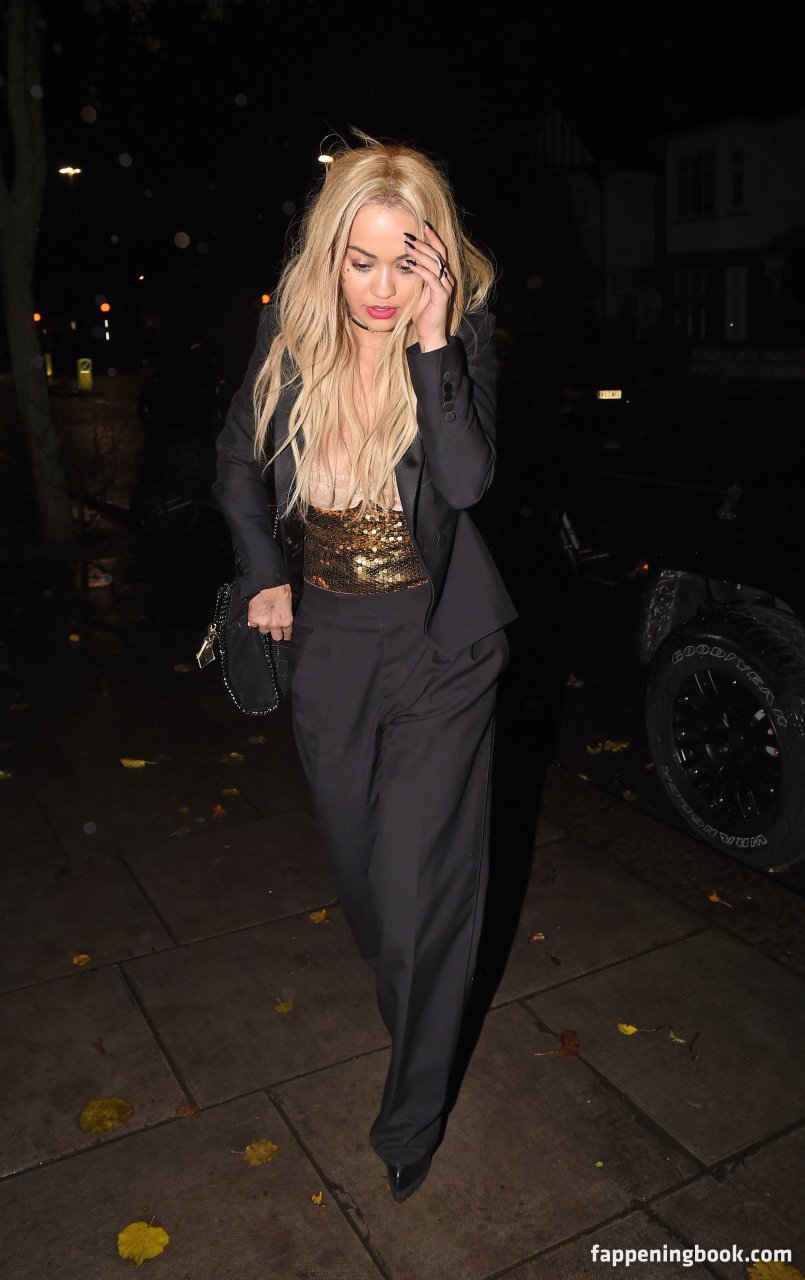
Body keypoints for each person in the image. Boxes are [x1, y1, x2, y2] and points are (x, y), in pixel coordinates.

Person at [213, 131, 518, 1203]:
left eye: (405, 261)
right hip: (331, 641)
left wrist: (435, 342)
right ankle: (417, 996)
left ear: (434, 259)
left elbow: (466, 480)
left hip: (441, 644)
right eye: (362, 260)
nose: (382, 288)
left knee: (420, 889)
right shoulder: (289, 332)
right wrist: (264, 572)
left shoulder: (460, 333)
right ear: (330, 254)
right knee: (364, 881)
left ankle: (410, 1117)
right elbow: (237, 458)